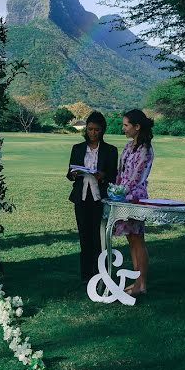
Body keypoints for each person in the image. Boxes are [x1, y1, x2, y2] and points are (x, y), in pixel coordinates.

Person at [67, 111, 118, 283]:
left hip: (100, 197)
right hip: (81, 197)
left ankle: (100, 273)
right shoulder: (77, 148)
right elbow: (69, 173)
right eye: (90, 129)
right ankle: (86, 275)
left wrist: (102, 175)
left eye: (96, 130)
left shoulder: (110, 150)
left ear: (102, 130)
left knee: (99, 236)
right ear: (86, 129)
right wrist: (73, 174)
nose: (93, 133)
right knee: (84, 235)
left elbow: (114, 176)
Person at [114, 109, 155, 296]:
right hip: (122, 197)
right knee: (131, 239)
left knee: (138, 239)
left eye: (126, 125)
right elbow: (120, 172)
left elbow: (136, 176)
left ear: (137, 127)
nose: (123, 128)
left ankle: (142, 283)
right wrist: (115, 190)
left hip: (135, 198)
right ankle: (136, 282)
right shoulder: (127, 147)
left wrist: (122, 192)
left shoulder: (145, 149)